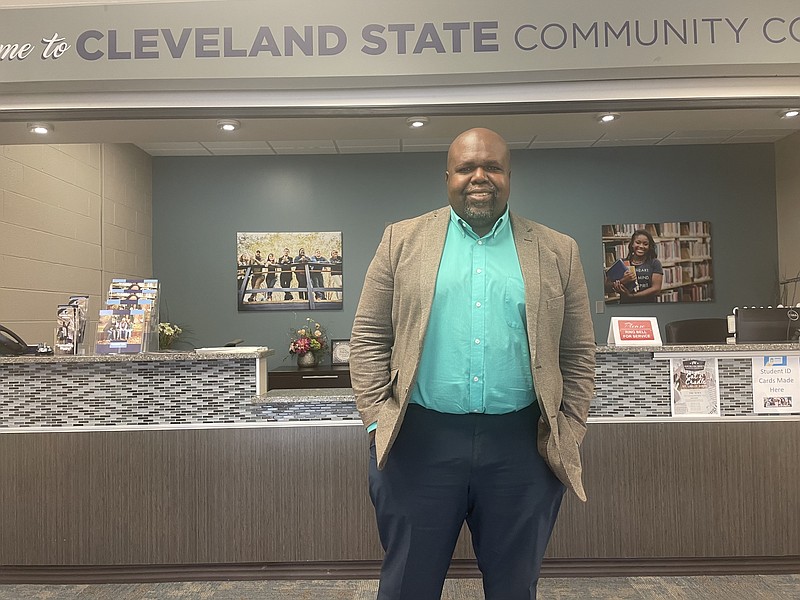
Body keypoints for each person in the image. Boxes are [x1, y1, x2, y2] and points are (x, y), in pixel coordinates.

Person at [349, 128, 596, 600]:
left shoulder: (557, 250)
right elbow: (368, 338)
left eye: (492, 167)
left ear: (509, 176)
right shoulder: (401, 240)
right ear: (448, 177)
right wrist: (375, 419)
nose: (479, 177)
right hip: (417, 443)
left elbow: (578, 351)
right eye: (466, 168)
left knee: (514, 587)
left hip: (523, 447)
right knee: (407, 586)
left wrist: (572, 425)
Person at [606, 229, 663, 303]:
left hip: (648, 305)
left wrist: (632, 296)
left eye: (645, 244)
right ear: (632, 244)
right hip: (625, 306)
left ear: (649, 247)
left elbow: (656, 289)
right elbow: (606, 287)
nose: (641, 246)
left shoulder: (654, 263)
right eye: (638, 242)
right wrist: (623, 280)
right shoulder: (622, 264)